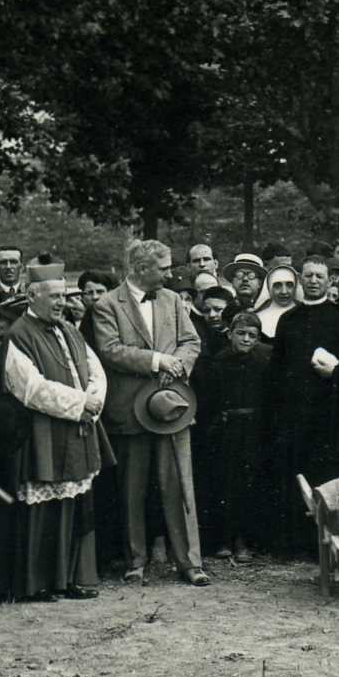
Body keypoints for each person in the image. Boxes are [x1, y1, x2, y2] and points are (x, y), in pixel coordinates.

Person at [92, 240, 209, 587]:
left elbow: (192, 342)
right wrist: (158, 361)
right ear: (142, 268)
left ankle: (190, 562)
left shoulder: (173, 300)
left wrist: (177, 367)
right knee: (133, 488)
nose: (171, 274)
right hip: (130, 409)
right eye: (164, 268)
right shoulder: (106, 304)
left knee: (180, 484)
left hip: (172, 406)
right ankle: (136, 561)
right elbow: (111, 350)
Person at [0, 261, 107, 601]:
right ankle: (40, 582)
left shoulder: (70, 329)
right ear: (32, 295)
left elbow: (94, 367)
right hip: (43, 430)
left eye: (63, 295)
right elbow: (29, 388)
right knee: (45, 504)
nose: (61, 303)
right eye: (53, 296)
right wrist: (80, 403)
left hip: (79, 427)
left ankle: (74, 576)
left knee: (77, 499)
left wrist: (95, 399)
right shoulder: (18, 336)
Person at [266, 259, 339, 559]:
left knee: (329, 477)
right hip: (294, 415)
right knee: (297, 477)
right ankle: (296, 545)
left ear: (329, 281)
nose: (314, 281)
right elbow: (277, 368)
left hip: (331, 413)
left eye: (320, 276)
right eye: (309, 276)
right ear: (301, 279)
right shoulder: (289, 320)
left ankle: (328, 545)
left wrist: (337, 371)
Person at [199, 309, 271, 560]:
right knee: (222, 482)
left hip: (254, 429)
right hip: (225, 430)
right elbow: (209, 399)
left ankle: (244, 541)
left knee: (249, 483)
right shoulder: (218, 361)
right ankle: (222, 539)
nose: (246, 339)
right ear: (229, 334)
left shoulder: (265, 361)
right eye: (241, 333)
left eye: (253, 335)